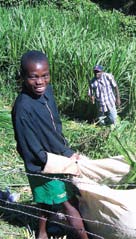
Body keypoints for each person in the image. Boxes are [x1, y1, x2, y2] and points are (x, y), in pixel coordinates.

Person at [12, 50, 89, 239]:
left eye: (45, 75)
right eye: (33, 77)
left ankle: (42, 233)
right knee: (68, 203)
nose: (40, 82)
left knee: (47, 198)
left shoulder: (48, 92)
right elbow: (30, 147)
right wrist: (59, 163)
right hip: (42, 164)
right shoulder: (22, 109)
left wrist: (66, 150)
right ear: (23, 77)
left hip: (58, 155)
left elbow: (55, 127)